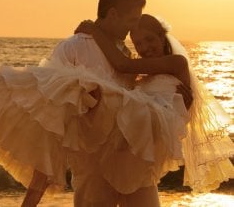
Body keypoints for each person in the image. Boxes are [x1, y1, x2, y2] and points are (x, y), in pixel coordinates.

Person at [0, 0, 193, 207]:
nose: (134, 32)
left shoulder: (125, 55)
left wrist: (181, 103)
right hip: (93, 165)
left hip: (133, 160)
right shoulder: (77, 46)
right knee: (59, 84)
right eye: (132, 22)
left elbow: (132, 80)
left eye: (146, 36)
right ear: (113, 14)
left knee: (82, 89)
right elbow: (49, 107)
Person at [75, 13, 234, 193]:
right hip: (132, 143)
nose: (145, 48)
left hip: (150, 142)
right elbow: (116, 76)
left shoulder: (177, 63)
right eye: (138, 44)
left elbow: (123, 65)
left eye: (149, 39)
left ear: (161, 36)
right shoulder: (143, 73)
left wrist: (96, 32)